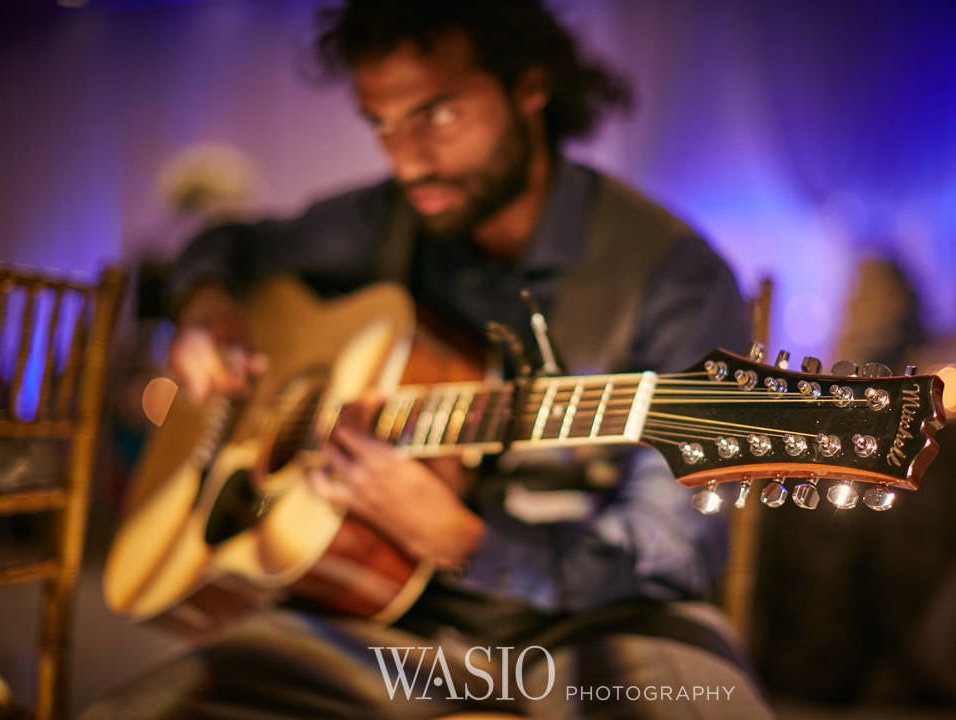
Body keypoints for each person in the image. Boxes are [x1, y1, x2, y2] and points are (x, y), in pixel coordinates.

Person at [87, 1, 771, 717]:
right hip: (380, 621)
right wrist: (204, 307)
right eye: (381, 122)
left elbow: (671, 550)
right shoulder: (382, 218)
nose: (405, 158)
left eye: (436, 115)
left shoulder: (670, 275)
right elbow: (226, 243)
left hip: (598, 623)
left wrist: (466, 541)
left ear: (529, 88)